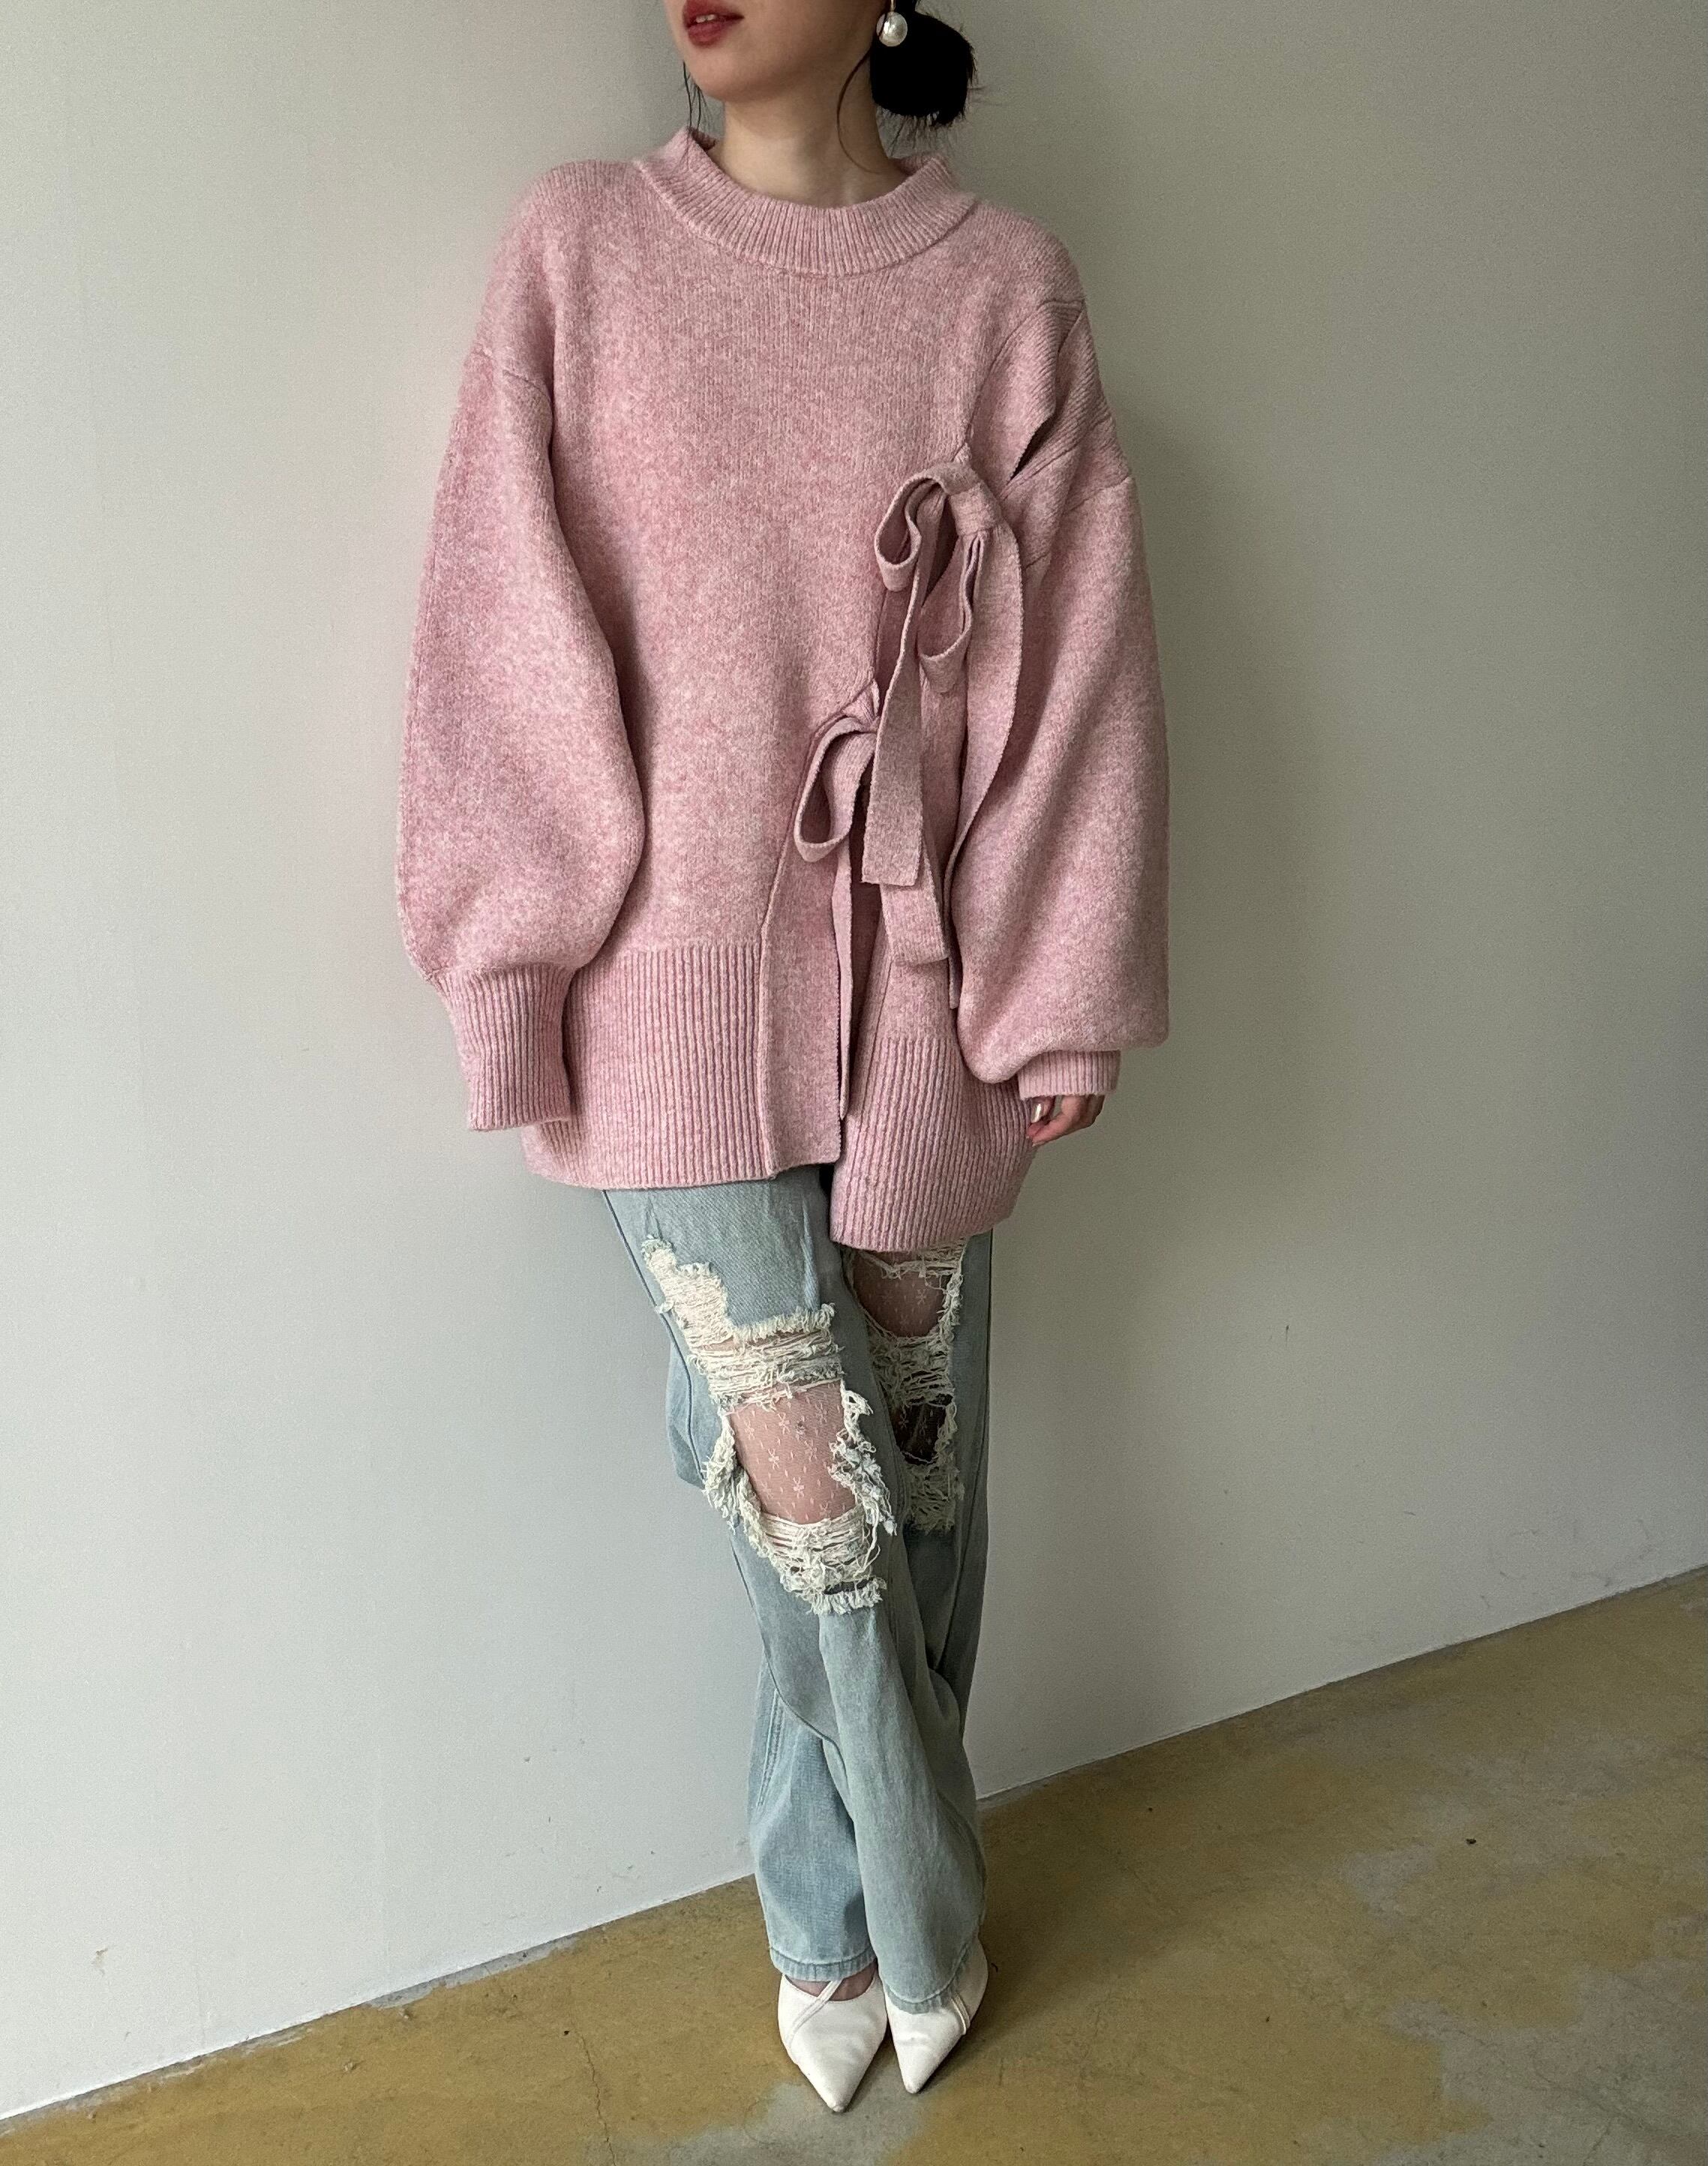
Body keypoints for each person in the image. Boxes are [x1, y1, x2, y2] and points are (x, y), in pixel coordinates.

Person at [395, 0, 1169, 2116]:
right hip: (665, 999)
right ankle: (895, 1920)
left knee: (924, 1474)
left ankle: (850, 1914)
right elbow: (499, 625)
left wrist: (1057, 984)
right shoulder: (582, 251)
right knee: (809, 1490)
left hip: (927, 998)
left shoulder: (1005, 291)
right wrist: (515, 956)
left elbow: (1079, 668)